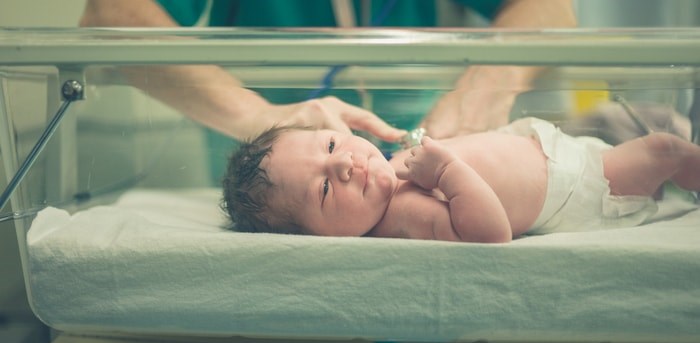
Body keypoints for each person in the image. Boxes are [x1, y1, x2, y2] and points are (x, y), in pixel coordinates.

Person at [79, 0, 577, 141]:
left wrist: (487, 85)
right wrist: (260, 120)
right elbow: (112, 14)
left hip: (433, 132)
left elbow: (552, 10)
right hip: (265, 136)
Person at [221, 117, 700, 243]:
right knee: (665, 150)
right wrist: (448, 173)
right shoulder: (400, 216)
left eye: (329, 146)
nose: (344, 164)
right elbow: (490, 233)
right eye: (324, 189)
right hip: (580, 184)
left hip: (558, 152)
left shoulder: (383, 172)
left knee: (660, 152)